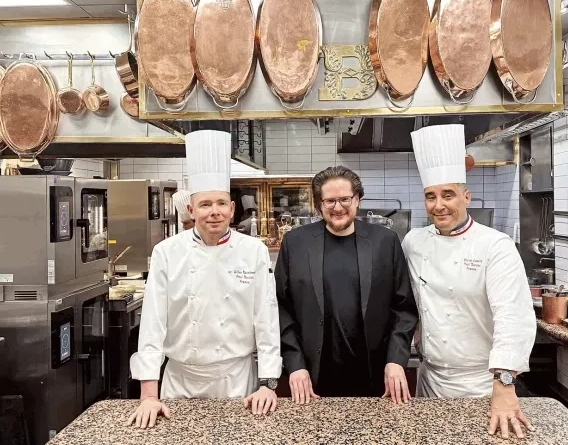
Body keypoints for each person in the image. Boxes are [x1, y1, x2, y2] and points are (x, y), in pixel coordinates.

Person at [127, 130, 282, 429]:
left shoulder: (254, 251)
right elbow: (153, 324)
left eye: (221, 203)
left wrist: (268, 383)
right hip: (179, 382)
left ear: (232, 209)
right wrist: (148, 395)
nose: (214, 212)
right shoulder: (167, 252)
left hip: (237, 382)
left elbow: (266, 318)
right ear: (191, 210)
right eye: (205, 204)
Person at [403, 125, 537, 440]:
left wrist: (504, 383)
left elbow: (512, 315)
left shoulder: (495, 245)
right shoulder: (413, 242)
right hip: (430, 380)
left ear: (466, 196)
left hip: (483, 385)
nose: (439, 205)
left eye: (448, 195)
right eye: (430, 196)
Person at [275, 166, 418, 405]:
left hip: (377, 377)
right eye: (330, 200)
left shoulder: (385, 242)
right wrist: (295, 364)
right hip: (311, 380)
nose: (338, 207)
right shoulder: (295, 243)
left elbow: (403, 308)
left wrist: (395, 360)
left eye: (345, 199)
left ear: (357, 199)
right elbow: (281, 308)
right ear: (319, 204)